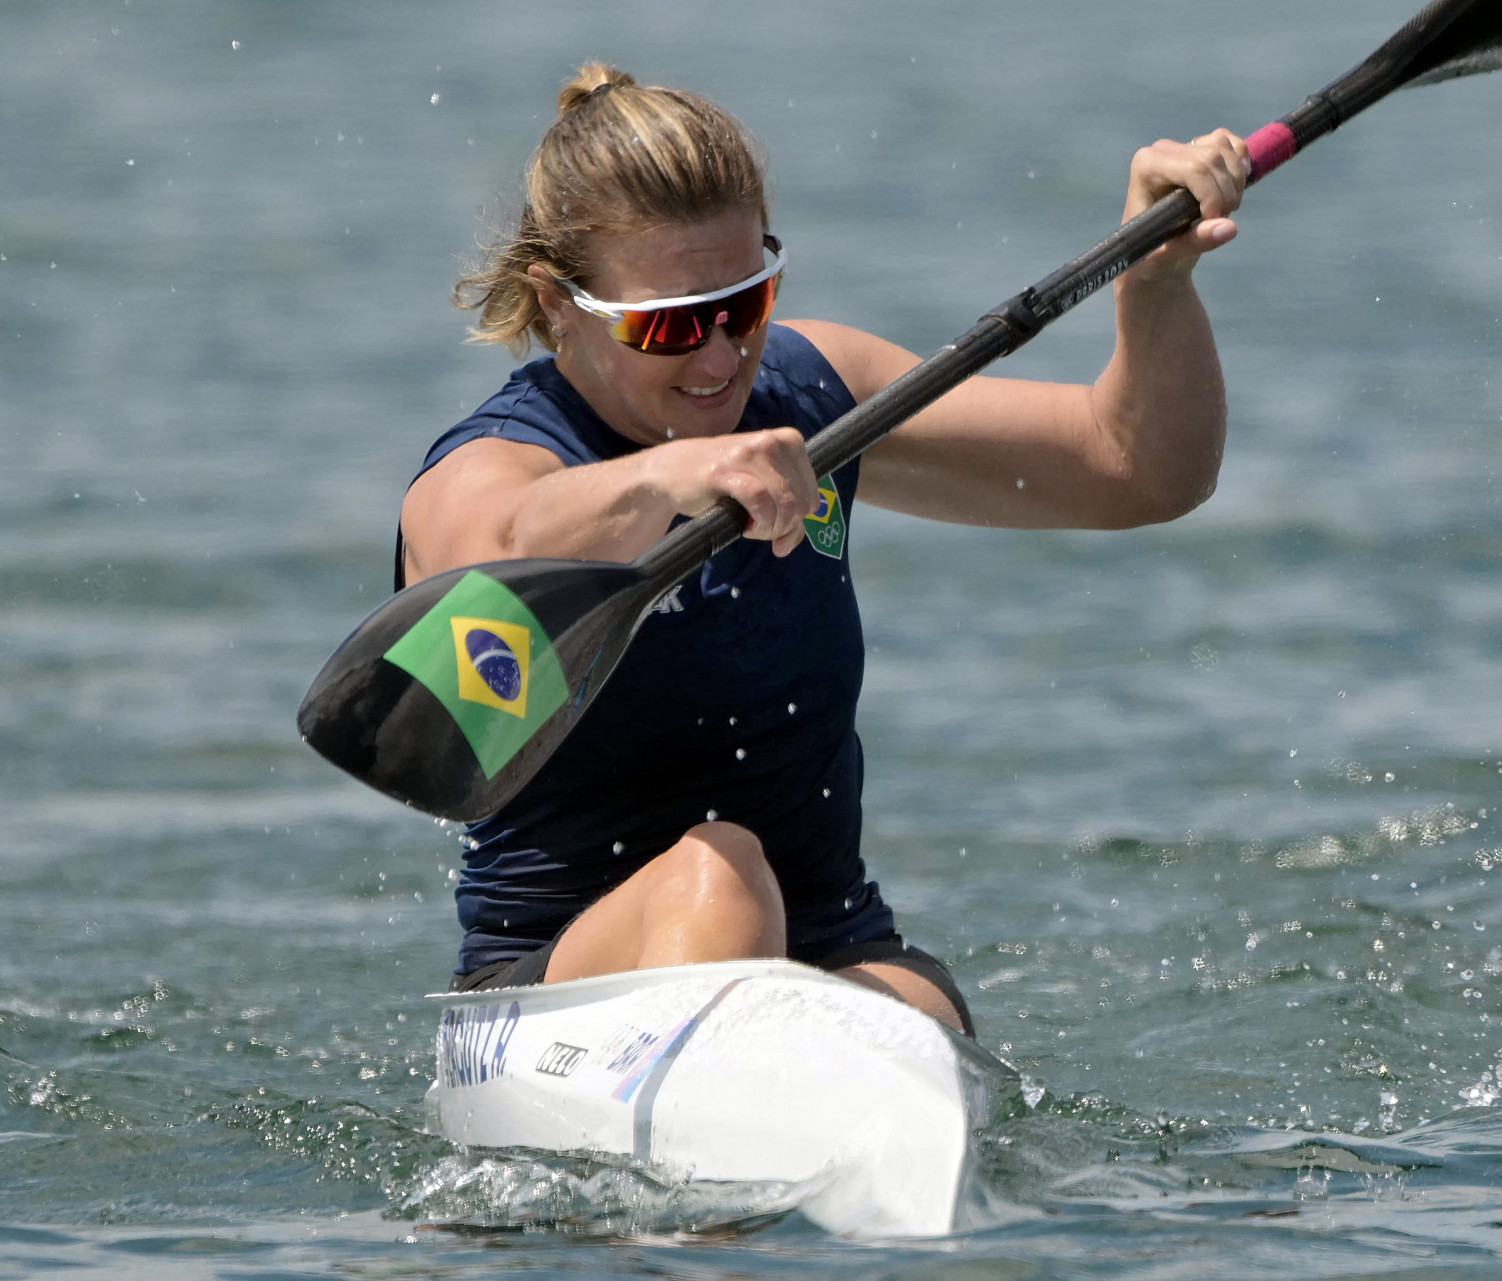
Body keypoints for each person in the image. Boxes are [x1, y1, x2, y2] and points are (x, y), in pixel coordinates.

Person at [399, 62, 1248, 1037]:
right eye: (671, 326)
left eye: (743, 304)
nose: (721, 357)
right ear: (556, 303)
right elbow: (490, 544)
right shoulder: (490, 465)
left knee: (925, 1016)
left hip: (828, 942)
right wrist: (665, 478)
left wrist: (1156, 284)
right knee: (718, 873)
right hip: (556, 991)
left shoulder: (814, 396)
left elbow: (1137, 470)